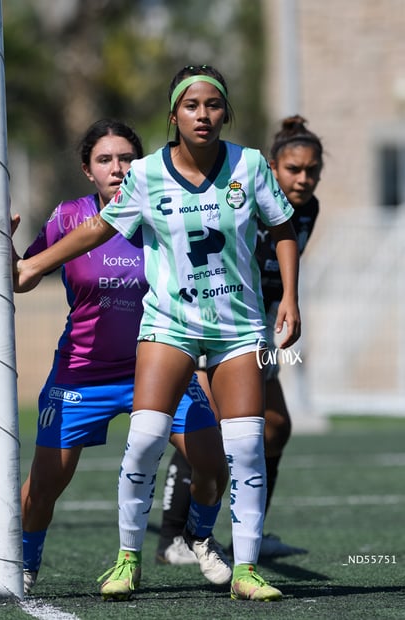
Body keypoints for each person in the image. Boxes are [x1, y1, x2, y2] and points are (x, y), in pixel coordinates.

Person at [14, 65, 301, 603]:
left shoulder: (248, 167)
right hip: (113, 358)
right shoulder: (91, 205)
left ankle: (224, 554)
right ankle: (95, 561)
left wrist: (289, 296)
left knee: (236, 453)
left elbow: (280, 226)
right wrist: (24, 268)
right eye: (105, 159)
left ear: (225, 113)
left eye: (213, 105)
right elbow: (77, 239)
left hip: (226, 333)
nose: (119, 168)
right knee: (101, 460)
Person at [14, 118, 231, 598]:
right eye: (105, 160)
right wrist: (2, 252)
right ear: (88, 170)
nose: (117, 168)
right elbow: (22, 276)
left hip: (160, 364)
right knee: (44, 486)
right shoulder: (68, 218)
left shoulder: (166, 212)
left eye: (127, 158)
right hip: (82, 375)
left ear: (143, 164)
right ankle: (24, 565)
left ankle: (199, 536)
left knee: (214, 463)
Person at [155, 114, 323, 562]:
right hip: (218, 323)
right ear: (272, 167)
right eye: (293, 170)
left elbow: (277, 267)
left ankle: (251, 534)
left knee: (276, 428)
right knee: (206, 428)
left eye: (312, 171)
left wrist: (284, 305)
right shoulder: (243, 197)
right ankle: (174, 536)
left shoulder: (306, 210)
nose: (303, 179)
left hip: (258, 328)